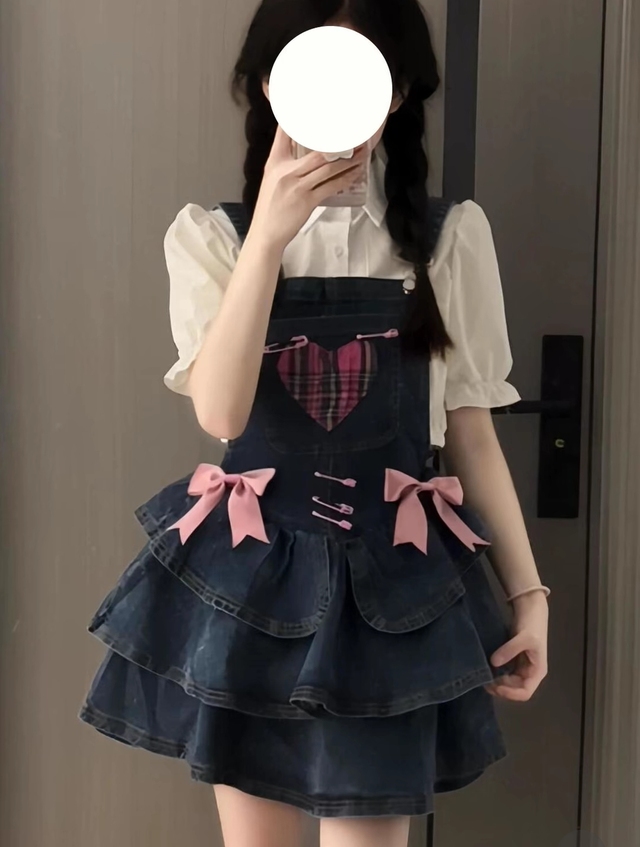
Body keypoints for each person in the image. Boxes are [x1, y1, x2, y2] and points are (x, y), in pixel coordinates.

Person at [80, 1, 550, 845]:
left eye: (362, 72)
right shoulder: (211, 238)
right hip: (252, 584)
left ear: (397, 92)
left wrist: (529, 597)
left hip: (395, 589)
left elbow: (471, 434)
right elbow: (221, 411)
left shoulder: (449, 239)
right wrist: (267, 238)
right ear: (271, 86)